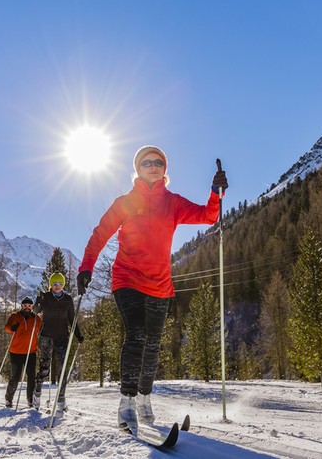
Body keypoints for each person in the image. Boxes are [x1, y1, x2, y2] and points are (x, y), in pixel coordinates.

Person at [76, 145, 228, 431]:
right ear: (138, 168)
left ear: (164, 169)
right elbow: (99, 234)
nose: (154, 166)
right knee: (136, 334)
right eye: (147, 162)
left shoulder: (172, 202)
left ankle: (145, 399)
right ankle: (127, 402)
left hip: (160, 285)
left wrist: (215, 192)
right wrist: (86, 267)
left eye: (159, 162)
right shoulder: (125, 202)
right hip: (127, 279)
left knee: (154, 345)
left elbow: (208, 216)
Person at [32, 272, 83, 412]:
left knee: (62, 368)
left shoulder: (67, 299)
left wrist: (78, 334)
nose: (57, 286)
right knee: (45, 367)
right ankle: (37, 394)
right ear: (51, 285)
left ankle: (61, 398)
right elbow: (35, 311)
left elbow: (72, 319)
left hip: (62, 336)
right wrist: (38, 300)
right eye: (54, 284)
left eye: (60, 284)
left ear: (63, 285)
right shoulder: (46, 297)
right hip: (46, 336)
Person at [3, 297, 42, 408]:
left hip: (31, 352)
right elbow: (7, 327)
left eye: (29, 306)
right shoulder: (15, 316)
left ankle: (30, 400)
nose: (27, 307)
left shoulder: (36, 319)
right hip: (16, 352)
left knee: (31, 377)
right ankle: (9, 399)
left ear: (32, 307)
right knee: (15, 377)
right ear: (21, 306)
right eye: (25, 305)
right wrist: (12, 328)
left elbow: (42, 330)